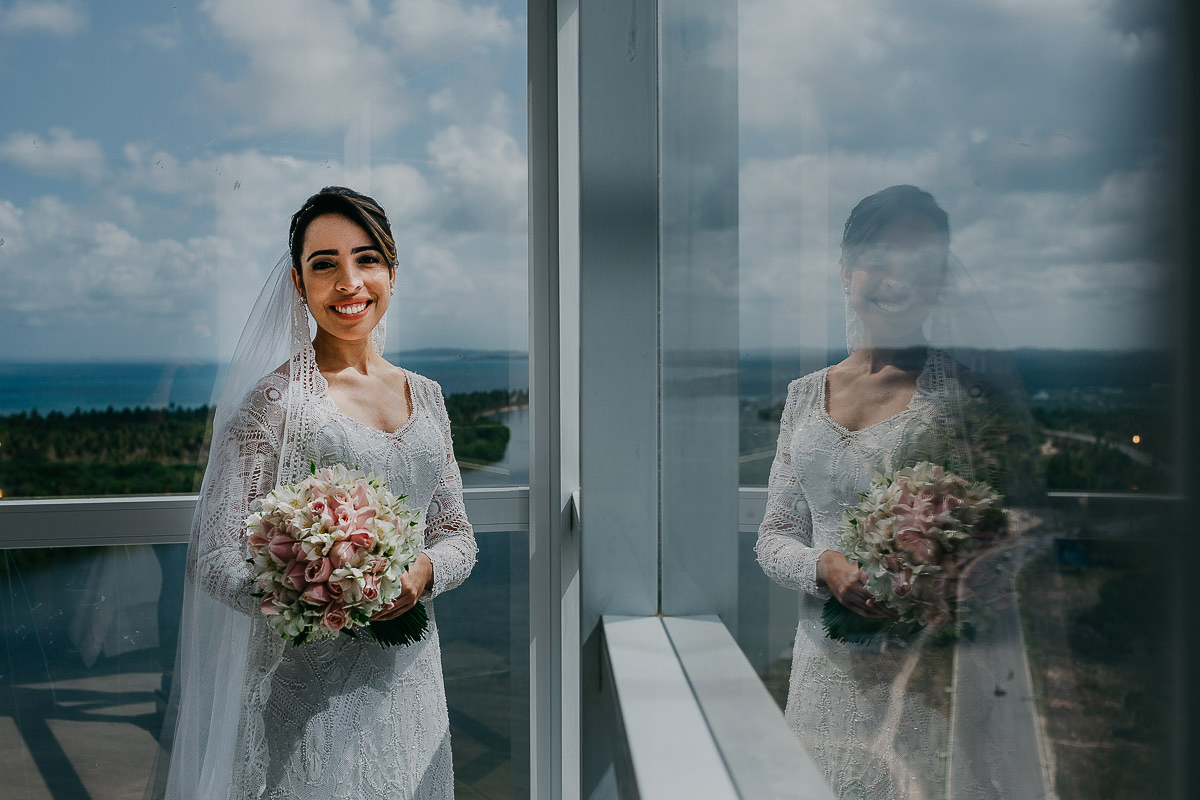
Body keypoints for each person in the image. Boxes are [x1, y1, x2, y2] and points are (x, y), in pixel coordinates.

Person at [155, 186, 477, 799]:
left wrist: (422, 573)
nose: (349, 281)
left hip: (409, 685)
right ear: (300, 286)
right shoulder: (277, 403)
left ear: (391, 270)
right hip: (305, 697)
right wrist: (314, 589)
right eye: (324, 264)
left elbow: (456, 533)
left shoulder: (428, 396)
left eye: (367, 259)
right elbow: (213, 555)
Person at [755, 185, 1040, 799]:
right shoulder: (803, 396)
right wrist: (825, 566)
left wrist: (934, 582)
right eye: (880, 259)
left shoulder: (964, 400)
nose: (897, 280)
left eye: (920, 266)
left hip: (922, 679)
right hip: (822, 669)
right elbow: (774, 538)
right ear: (845, 271)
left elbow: (1007, 535)